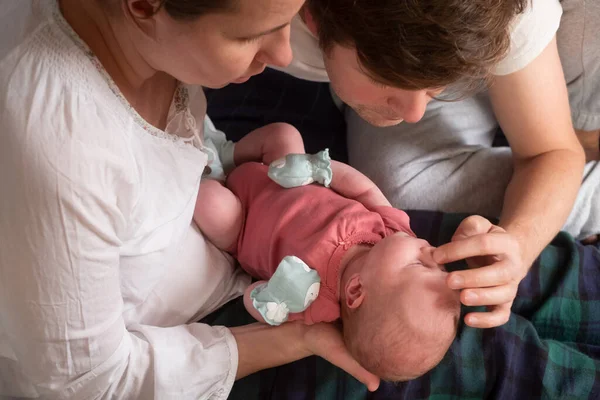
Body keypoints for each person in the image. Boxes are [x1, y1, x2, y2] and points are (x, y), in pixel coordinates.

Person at [0, 0, 381, 398]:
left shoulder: (144, 44)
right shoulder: (62, 147)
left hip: (236, 270)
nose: (284, 55)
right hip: (163, 360)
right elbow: (88, 383)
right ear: (144, 5)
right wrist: (297, 338)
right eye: (249, 35)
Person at [208, 0, 594, 330]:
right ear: (313, 16)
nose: (415, 113)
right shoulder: (260, 14)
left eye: (435, 88)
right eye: (388, 80)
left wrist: (519, 244)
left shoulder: (513, 11)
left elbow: (551, 152)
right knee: (405, 185)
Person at [193, 124, 460, 381]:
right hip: (284, 176)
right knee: (284, 134)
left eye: (418, 265)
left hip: (241, 221)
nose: (431, 252)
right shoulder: (391, 230)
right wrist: (316, 167)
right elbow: (363, 187)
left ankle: (210, 172)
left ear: (356, 290)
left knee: (210, 203)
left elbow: (252, 300)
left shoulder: (317, 302)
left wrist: (277, 297)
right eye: (440, 265)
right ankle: (230, 154)